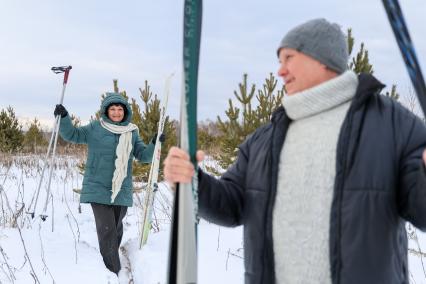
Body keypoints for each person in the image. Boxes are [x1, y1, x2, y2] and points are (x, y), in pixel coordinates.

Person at [163, 18, 426, 284]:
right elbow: (231, 205)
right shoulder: (265, 139)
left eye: (288, 58)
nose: (280, 71)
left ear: (323, 58)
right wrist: (192, 182)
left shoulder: (391, 124)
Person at [54, 92, 165, 275]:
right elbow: (72, 135)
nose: (116, 112)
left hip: (121, 189)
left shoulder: (131, 131)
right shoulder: (95, 127)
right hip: (97, 187)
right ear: (106, 111)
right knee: (107, 231)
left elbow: (144, 156)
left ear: (125, 111)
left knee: (116, 229)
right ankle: (113, 272)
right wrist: (64, 117)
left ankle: (109, 260)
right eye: (112, 109)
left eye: (119, 109)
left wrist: (155, 143)